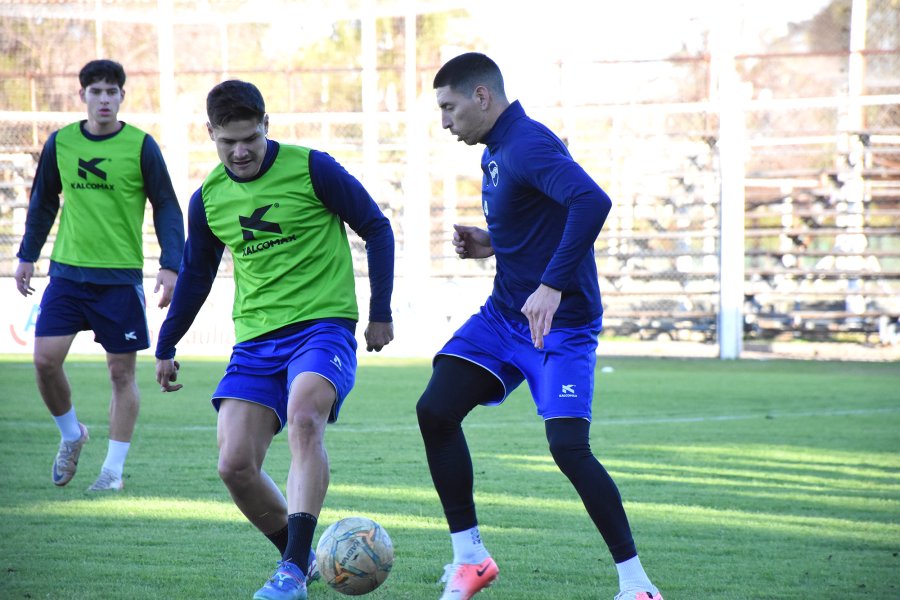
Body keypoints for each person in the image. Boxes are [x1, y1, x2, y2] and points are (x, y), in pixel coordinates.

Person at [416, 52, 664, 600]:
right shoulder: (497, 151)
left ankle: (637, 585)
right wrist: (490, 243)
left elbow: (591, 201)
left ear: (482, 97)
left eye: (449, 107)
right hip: (505, 317)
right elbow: (540, 222)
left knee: (568, 450)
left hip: (563, 327)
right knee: (435, 409)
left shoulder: (527, 142)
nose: (444, 122)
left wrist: (551, 284)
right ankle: (470, 558)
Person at [154, 80, 395, 600]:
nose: (240, 151)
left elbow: (377, 226)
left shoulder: (313, 168)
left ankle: (288, 573)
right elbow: (195, 275)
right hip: (256, 342)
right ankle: (304, 559)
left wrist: (380, 312)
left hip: (322, 326)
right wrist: (166, 343)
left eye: (251, 138)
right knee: (234, 464)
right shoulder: (209, 199)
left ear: (267, 126)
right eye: (228, 142)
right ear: (211, 134)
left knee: (306, 417)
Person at [14, 59, 185, 492]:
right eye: (96, 91)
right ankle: (72, 434)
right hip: (68, 275)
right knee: (44, 362)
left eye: (112, 91)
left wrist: (170, 264)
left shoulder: (141, 146)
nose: (104, 99)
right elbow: (43, 203)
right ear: (83, 96)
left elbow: (165, 204)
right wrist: (27, 254)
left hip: (119, 279)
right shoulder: (62, 143)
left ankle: (111, 472)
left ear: (122, 97)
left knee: (120, 375)